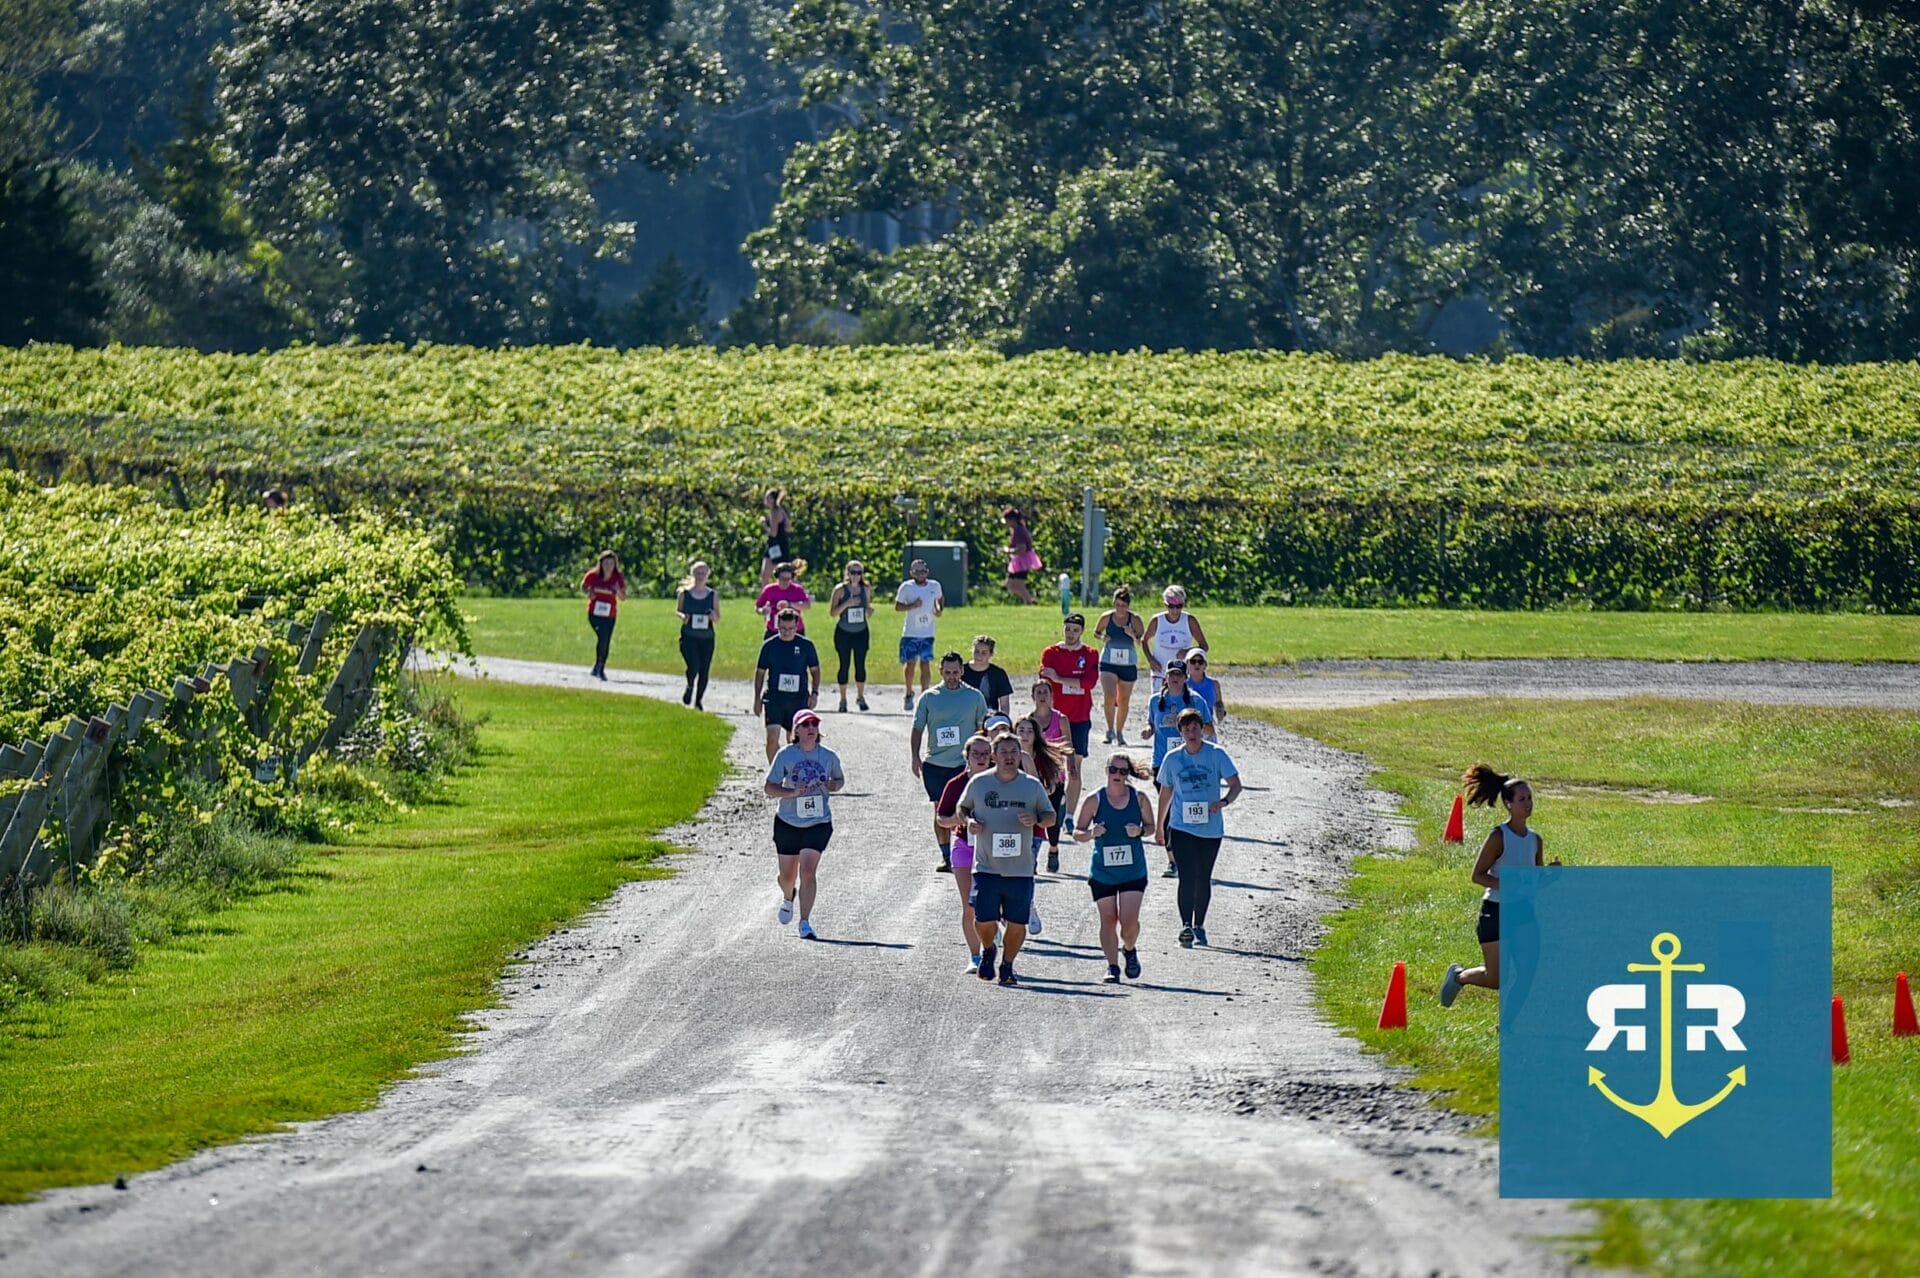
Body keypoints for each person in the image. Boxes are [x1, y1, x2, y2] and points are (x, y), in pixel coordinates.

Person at [1440, 765, 1559, 1006]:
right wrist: (1505, 885)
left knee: (1527, 973)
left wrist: (1551, 876)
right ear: (1508, 804)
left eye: (1530, 798)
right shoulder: (1498, 837)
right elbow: (1478, 875)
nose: (1528, 803)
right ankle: (1458, 977)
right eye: (1522, 799)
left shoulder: (1535, 840)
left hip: (1523, 912)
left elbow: (1533, 883)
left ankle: (1507, 1028)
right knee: (1497, 979)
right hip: (1495, 912)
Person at [958, 733, 1057, 987]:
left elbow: (1050, 816)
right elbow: (962, 808)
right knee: (982, 919)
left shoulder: (1031, 785)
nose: (1009, 756)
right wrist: (969, 821)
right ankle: (989, 948)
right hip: (986, 865)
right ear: (994, 756)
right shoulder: (979, 783)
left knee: (1017, 922)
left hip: (1020, 869)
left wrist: (1036, 819)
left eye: (1014, 751)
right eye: (1004, 752)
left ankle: (1008, 964)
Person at [1156, 709, 1243, 949]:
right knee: (1186, 876)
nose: (1191, 733)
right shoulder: (1172, 759)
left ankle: (1199, 924)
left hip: (1210, 828)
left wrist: (1224, 802)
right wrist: (1159, 826)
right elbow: (1165, 793)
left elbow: (1236, 785)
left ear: (1202, 729)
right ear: (1180, 732)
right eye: (1186, 729)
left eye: (1195, 728)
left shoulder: (1217, 755)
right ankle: (1185, 924)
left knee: (1202, 877)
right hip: (1181, 826)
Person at [763, 709, 844, 941]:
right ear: (796, 730)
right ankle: (789, 896)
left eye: (814, 724)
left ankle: (805, 922)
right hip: (788, 822)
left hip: (818, 822)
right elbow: (769, 787)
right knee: (786, 877)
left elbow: (840, 780)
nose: (811, 729)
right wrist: (791, 792)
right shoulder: (785, 755)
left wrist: (831, 785)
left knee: (807, 871)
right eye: (806, 725)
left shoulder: (828, 757)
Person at [1075, 753, 1157, 983]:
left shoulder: (1139, 799)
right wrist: (1092, 833)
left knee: (1128, 923)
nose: (1118, 775)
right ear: (1107, 770)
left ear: (1128, 774)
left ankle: (1129, 949)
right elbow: (1077, 832)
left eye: (1123, 771)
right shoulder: (1095, 799)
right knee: (1108, 920)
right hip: (1103, 872)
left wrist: (1140, 831)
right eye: (1114, 770)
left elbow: (1151, 827)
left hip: (1133, 871)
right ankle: (1112, 966)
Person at [911, 652, 989, 873]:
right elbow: (917, 728)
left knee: (969, 808)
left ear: (962, 671)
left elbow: (983, 729)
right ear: (940, 672)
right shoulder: (929, 697)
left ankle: (970, 852)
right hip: (936, 764)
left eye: (956, 672)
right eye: (948, 673)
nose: (952, 676)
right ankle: (946, 855)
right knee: (940, 810)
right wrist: (915, 756)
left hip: (963, 765)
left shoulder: (974, 697)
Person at [1143, 659, 1217, 875]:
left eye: (1179, 675)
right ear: (1166, 677)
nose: (1174, 678)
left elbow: (1210, 729)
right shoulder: (1156, 700)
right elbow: (1150, 722)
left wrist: (1193, 734)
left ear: (1185, 678)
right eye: (1171, 674)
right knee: (1168, 810)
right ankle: (1173, 860)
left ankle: (1191, 853)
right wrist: (1148, 730)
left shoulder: (1196, 701)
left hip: (1190, 761)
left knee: (1183, 808)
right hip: (1162, 762)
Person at [936, 735, 996, 971]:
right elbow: (941, 818)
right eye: (976, 754)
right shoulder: (957, 783)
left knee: (992, 903)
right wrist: (959, 819)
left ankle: (990, 935)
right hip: (963, 846)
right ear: (967, 757)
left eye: (985, 754)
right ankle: (975, 956)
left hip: (994, 849)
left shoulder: (1000, 782)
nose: (980, 759)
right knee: (969, 905)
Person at [1039, 613, 1099, 835]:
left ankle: (1070, 816)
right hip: (1053, 717)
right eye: (1068, 629)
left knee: (1074, 767)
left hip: (1079, 717)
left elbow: (1089, 683)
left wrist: (1060, 679)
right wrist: (1061, 680)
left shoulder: (1090, 653)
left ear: (1081, 631)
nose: (1071, 633)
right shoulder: (1051, 652)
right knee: (1050, 766)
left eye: (1075, 630)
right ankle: (1050, 808)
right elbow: (1044, 678)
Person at [753, 608, 820, 763]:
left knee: (795, 740)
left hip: (798, 699)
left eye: (790, 629)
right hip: (775, 698)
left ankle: (792, 771)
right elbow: (760, 672)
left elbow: (815, 671)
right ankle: (775, 774)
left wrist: (815, 693)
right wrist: (757, 699)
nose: (787, 632)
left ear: (797, 627)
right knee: (772, 737)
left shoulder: (806, 645)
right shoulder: (769, 646)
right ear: (777, 626)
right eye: (783, 629)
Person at [1014, 715, 1070, 879]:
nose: (1025, 735)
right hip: (1012, 815)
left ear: (1036, 735)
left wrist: (1043, 788)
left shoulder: (1044, 756)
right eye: (1021, 730)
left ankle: (1052, 849)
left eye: (1029, 731)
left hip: (1038, 811)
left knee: (1052, 826)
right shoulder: (1006, 756)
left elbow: (1054, 783)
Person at [1093, 587, 1146, 744]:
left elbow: (1141, 641)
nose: (1120, 609)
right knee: (1109, 696)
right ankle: (1109, 730)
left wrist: (1132, 634)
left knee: (1123, 700)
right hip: (1109, 661)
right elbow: (1096, 632)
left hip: (1127, 663)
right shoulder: (1107, 617)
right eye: (1117, 605)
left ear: (1128, 605)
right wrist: (1103, 638)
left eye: (1123, 605)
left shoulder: (1135, 619)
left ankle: (1120, 732)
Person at [1142, 585, 1210, 708]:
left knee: (1181, 704)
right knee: (1159, 704)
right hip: (1160, 671)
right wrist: (1150, 659)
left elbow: (1204, 646)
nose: (1175, 611)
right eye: (1171, 606)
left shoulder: (1189, 620)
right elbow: (1144, 640)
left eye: (1179, 606)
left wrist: (1188, 651)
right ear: (1165, 605)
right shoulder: (1157, 620)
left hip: (1181, 673)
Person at [894, 558, 944, 710]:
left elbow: (940, 598)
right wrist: (912, 605)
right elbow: (898, 606)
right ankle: (909, 692)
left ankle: (924, 694)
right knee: (910, 663)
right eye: (917, 571)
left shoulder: (934, 586)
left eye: (923, 571)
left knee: (925, 663)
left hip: (927, 632)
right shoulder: (907, 587)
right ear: (911, 573)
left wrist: (939, 609)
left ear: (927, 572)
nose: (921, 574)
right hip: (910, 633)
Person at [828, 560, 873, 712]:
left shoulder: (865, 589)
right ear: (847, 573)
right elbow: (833, 612)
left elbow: (867, 607)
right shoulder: (840, 590)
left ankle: (860, 696)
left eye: (859, 573)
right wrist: (847, 604)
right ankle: (843, 699)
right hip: (844, 632)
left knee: (860, 665)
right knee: (844, 664)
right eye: (852, 572)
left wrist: (869, 610)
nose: (855, 576)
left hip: (861, 631)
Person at [675, 560, 720, 709]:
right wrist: (683, 617)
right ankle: (689, 686)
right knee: (693, 666)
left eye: (703, 573)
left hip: (707, 638)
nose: (700, 576)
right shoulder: (685, 594)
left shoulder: (713, 594)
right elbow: (679, 611)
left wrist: (714, 615)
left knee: (704, 670)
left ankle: (699, 701)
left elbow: (717, 617)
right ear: (693, 574)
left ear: (708, 575)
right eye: (698, 573)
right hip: (689, 637)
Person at [581, 550, 628, 681]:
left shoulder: (618, 577)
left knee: (605, 639)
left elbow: (623, 597)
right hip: (594, 613)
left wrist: (618, 590)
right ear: (600, 564)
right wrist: (589, 593)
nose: (608, 567)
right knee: (602, 637)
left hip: (610, 614)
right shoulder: (593, 575)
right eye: (606, 563)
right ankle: (598, 665)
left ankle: (600, 666)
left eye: (611, 564)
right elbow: (583, 586)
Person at [960, 634, 1014, 715]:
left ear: (991, 654)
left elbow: (1004, 705)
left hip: (989, 718)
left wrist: (1003, 720)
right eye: (976, 651)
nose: (979, 655)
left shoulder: (998, 674)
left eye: (984, 653)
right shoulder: (961, 671)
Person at [756, 559, 812, 636]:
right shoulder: (769, 589)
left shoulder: (797, 589)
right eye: (783, 579)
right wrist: (763, 610)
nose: (785, 582)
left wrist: (789, 604)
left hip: (795, 631)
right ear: (777, 577)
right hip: (773, 630)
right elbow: (758, 607)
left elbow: (807, 605)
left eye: (788, 579)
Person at [1000, 506, 1041, 605]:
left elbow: (1021, 550)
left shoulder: (1019, 531)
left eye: (1007, 520)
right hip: (1019, 561)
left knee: (1018, 585)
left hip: (1022, 561)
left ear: (1012, 520)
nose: (1006, 523)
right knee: (1011, 585)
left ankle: (1029, 602)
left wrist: (1007, 551)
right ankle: (1029, 600)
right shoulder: (1018, 530)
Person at [1184, 648, 1227, 730]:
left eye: (1200, 662)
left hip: (1207, 727)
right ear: (1187, 664)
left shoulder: (1214, 684)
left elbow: (1218, 702)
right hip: (1188, 728)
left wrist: (1220, 711)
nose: (1197, 664)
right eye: (1193, 661)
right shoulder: (1183, 684)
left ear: (1205, 665)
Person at [760, 488, 794, 586]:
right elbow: (788, 528)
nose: (765, 500)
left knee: (781, 574)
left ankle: (802, 595)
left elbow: (773, 533)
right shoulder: (781, 510)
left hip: (776, 545)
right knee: (768, 574)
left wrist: (763, 524)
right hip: (780, 544)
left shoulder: (775, 513)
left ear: (772, 499)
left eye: (767, 497)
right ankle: (766, 597)